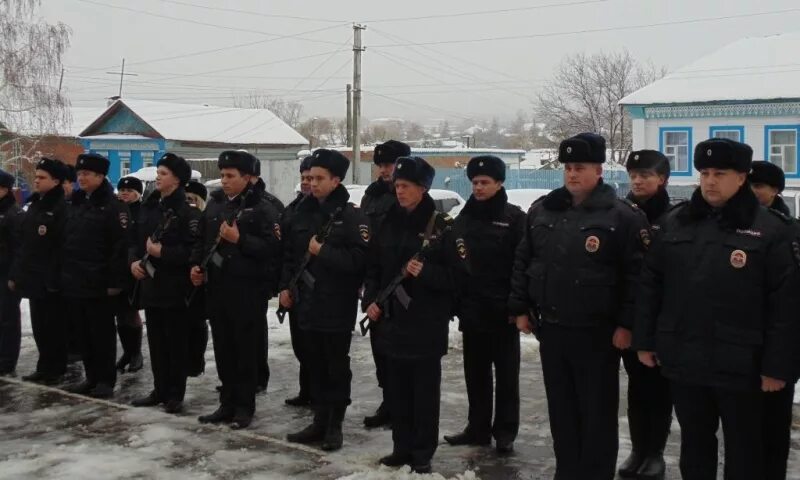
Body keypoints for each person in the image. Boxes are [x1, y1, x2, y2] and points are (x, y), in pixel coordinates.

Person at [634, 138, 799, 480]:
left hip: (743, 365)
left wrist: (777, 367)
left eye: (720, 173)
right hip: (685, 359)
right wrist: (646, 340)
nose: (709, 181)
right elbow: (651, 285)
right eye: (705, 172)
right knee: (694, 446)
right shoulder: (675, 222)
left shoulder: (771, 230)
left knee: (745, 450)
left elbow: (787, 305)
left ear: (741, 178)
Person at [508, 133, 649, 480]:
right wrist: (520, 307)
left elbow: (639, 278)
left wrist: (627, 324)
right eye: (568, 167)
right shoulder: (544, 210)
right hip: (553, 329)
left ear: (599, 170)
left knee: (597, 413)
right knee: (562, 410)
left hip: (598, 333)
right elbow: (524, 259)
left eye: (580, 167)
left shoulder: (623, 217)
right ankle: (567, 471)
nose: (572, 174)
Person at [363, 156, 466, 474]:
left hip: (425, 323)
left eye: (406, 186)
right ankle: (401, 446)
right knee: (396, 388)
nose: (400, 191)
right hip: (390, 319)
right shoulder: (387, 220)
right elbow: (375, 268)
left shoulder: (442, 227)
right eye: (397, 185)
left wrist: (427, 273)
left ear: (423, 188)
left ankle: (422, 450)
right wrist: (370, 300)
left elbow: (459, 278)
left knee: (423, 392)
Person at [283, 149, 369, 451]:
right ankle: (319, 420)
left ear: (336, 180)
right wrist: (285, 288)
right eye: (310, 178)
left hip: (335, 304)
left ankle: (335, 425)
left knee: (335, 366)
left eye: (320, 179)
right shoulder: (301, 211)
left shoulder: (350, 215)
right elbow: (290, 255)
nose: (313, 184)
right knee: (314, 364)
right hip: (305, 303)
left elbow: (360, 260)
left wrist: (325, 253)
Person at [193, 150, 282, 429]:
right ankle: (227, 402)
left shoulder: (264, 207)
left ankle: (244, 406)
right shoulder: (217, 204)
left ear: (247, 178)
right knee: (223, 348)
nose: (224, 181)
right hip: (218, 287)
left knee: (245, 350)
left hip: (247, 289)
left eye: (230, 176)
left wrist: (240, 239)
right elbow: (202, 240)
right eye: (222, 175)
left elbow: (273, 250)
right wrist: (197, 266)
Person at [444, 155, 525, 455]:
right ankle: (477, 428)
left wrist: (518, 306)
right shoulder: (464, 218)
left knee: (506, 377)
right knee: (475, 375)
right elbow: (455, 260)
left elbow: (522, 264)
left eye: (485, 182)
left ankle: (505, 431)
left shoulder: (515, 218)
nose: (478, 188)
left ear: (499, 182)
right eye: (475, 183)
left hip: (503, 312)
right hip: (473, 310)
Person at [618, 150, 673, 480]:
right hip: (628, 316)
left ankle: (656, 453)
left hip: (662, 319)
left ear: (662, 179)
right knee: (637, 388)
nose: (638, 181)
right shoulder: (620, 213)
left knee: (659, 389)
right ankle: (638, 449)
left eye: (645, 175)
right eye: (634, 175)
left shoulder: (676, 217)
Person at [130, 153, 199, 414]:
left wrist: (163, 253)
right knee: (157, 342)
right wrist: (134, 262)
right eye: (158, 172)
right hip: (151, 286)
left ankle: (175, 393)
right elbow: (135, 240)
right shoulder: (151, 207)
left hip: (175, 288)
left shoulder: (187, 212)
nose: (158, 177)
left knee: (175, 342)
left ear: (178, 179)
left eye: (164, 173)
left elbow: (193, 252)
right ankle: (159, 389)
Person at [61, 153, 131, 399]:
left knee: (101, 333)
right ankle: (91, 376)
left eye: (87, 174)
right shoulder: (77, 203)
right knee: (83, 333)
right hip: (76, 280)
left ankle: (105, 379)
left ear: (101, 177)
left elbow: (119, 247)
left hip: (100, 282)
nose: (81, 178)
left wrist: (114, 282)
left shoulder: (112, 207)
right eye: (79, 174)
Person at [748, 160, 797, 480]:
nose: (752, 193)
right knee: (746, 433)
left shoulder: (788, 231)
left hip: (776, 347)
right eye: (748, 186)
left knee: (774, 429)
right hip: (740, 347)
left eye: (759, 187)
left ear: (775, 190)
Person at [360, 139, 411, 429]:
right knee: (379, 347)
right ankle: (388, 400)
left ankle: (400, 403)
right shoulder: (372, 195)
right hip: (374, 275)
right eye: (380, 165)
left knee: (399, 349)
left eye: (389, 164)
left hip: (399, 277)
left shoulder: (404, 195)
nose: (384, 170)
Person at [11, 159, 67, 383]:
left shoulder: (61, 207)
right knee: (40, 326)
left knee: (54, 326)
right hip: (34, 276)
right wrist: (18, 273)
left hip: (52, 279)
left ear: (56, 181)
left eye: (42, 177)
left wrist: (56, 276)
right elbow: (25, 244)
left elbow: (62, 246)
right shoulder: (36, 205)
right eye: (36, 176)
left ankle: (56, 368)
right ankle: (44, 366)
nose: (36, 180)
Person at [281, 155, 314, 407]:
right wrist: (284, 287)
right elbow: (285, 254)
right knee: (301, 345)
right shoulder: (292, 209)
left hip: (316, 290)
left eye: (310, 178)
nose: (306, 183)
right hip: (295, 287)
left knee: (317, 348)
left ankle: (317, 396)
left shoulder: (328, 212)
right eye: (303, 178)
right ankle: (307, 391)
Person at [249, 156, 284, 393]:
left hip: (259, 278)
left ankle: (258, 376)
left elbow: (276, 247)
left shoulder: (269, 205)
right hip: (232, 281)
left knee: (255, 332)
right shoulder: (229, 202)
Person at [115, 176, 144, 373]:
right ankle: (127, 351)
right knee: (120, 312)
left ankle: (136, 352)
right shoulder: (115, 210)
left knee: (131, 310)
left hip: (134, 266)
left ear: (137, 193)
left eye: (129, 190)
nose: (124, 193)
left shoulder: (142, 212)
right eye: (122, 190)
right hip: (116, 266)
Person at [184, 180, 209, 378]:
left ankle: (196, 359)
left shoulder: (202, 217)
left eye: (192, 199)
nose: (188, 202)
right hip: (183, 274)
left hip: (198, 275)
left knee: (197, 320)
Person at [0, 170, 22, 377]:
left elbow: (18, 249)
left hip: (6, 274)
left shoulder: (12, 214)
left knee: (7, 319)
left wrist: (14, 276)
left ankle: (7, 361)